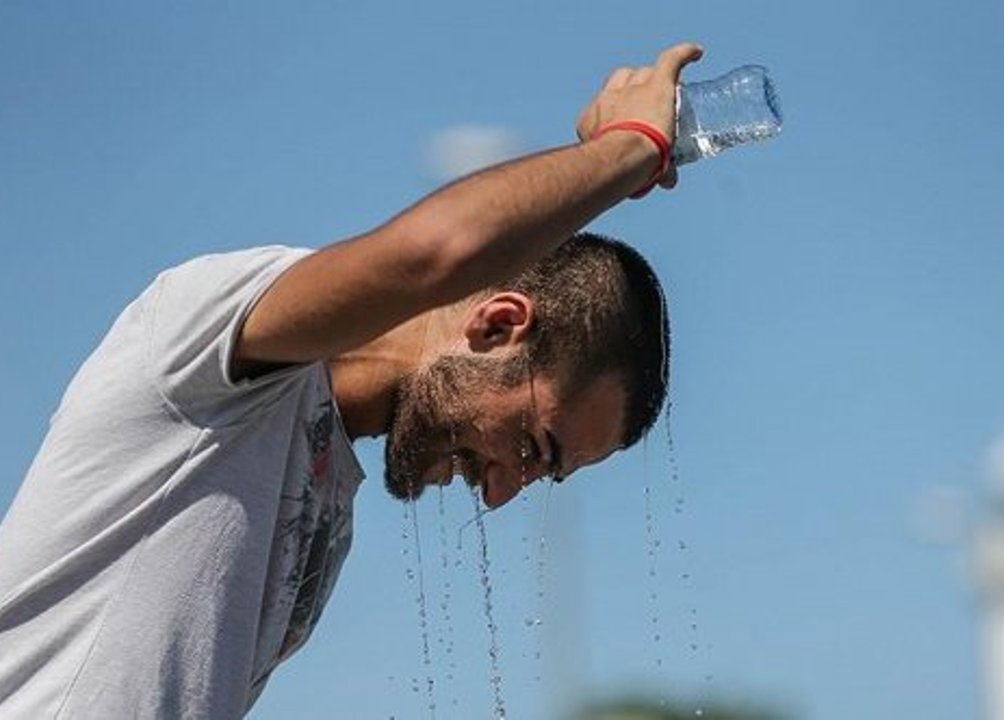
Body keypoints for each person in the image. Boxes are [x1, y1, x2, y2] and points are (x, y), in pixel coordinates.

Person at [0, 42, 704, 718]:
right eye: (532, 446)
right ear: (496, 326)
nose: (497, 494)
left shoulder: (328, 505)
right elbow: (436, 253)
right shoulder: (215, 343)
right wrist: (632, 145)